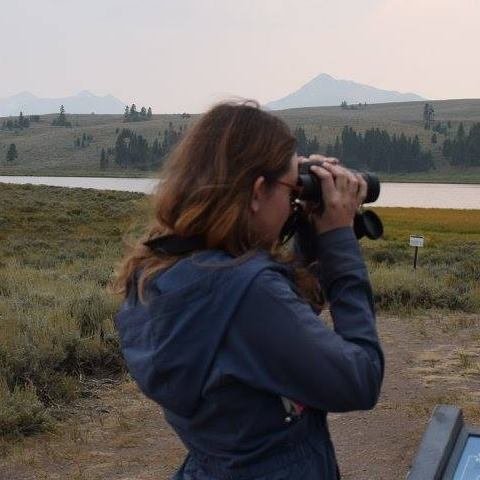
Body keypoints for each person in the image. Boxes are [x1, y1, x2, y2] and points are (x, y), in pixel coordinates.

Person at [113, 101, 384, 479]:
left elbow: (284, 329)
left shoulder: (159, 273)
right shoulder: (248, 292)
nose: (292, 203)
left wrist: (308, 229)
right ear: (257, 192)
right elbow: (361, 379)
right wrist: (340, 242)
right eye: (290, 191)